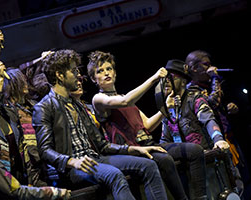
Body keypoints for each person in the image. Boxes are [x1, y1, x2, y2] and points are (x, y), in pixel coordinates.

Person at [32, 49, 168, 200]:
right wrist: (71, 161)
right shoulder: (44, 107)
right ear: (59, 75)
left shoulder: (77, 105)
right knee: (114, 175)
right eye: (73, 71)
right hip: (72, 169)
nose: (78, 75)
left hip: (95, 159)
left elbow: (101, 145)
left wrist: (134, 149)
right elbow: (44, 150)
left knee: (148, 165)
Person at [87, 50, 205, 200]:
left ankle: (200, 197)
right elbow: (125, 102)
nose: (106, 73)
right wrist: (154, 78)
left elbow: (147, 125)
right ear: (93, 79)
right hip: (131, 151)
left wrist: (165, 109)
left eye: (109, 69)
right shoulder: (99, 98)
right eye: (100, 71)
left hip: (148, 144)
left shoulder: (124, 96)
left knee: (194, 151)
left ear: (115, 73)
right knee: (164, 159)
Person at [157, 59, 232, 199]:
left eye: (171, 77)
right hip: (185, 170)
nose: (166, 81)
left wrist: (218, 139)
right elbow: (164, 139)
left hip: (206, 165)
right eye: (165, 77)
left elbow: (209, 120)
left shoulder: (194, 99)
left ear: (184, 81)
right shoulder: (166, 107)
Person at [185, 50, 246, 195]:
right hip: (213, 142)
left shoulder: (209, 85)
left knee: (243, 180)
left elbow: (220, 104)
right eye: (206, 64)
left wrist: (231, 107)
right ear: (194, 68)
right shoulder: (191, 90)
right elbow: (212, 102)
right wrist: (215, 79)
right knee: (232, 183)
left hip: (228, 137)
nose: (211, 68)